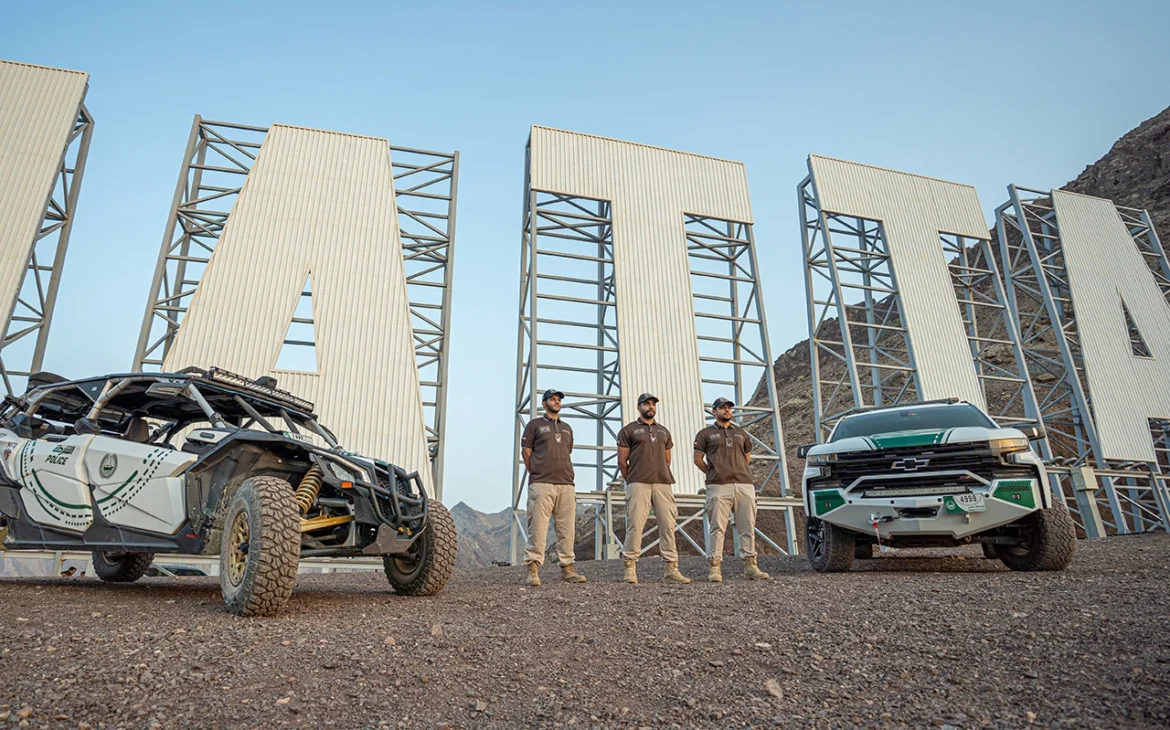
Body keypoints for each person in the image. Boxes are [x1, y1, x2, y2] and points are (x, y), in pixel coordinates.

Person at [692, 397, 771, 582]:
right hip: (718, 486)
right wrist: (714, 473)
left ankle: (751, 565)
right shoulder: (705, 434)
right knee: (718, 527)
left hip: (744, 484)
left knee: (747, 525)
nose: (727, 410)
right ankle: (714, 567)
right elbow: (698, 459)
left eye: (729, 408)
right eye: (722, 408)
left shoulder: (741, 433)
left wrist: (738, 471)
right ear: (714, 411)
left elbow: (747, 456)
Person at [616, 393, 691, 585]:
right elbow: (622, 462)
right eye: (646, 404)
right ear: (639, 407)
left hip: (663, 483)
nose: (650, 407)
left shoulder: (664, 431)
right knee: (635, 524)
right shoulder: (628, 430)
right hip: (638, 483)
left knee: (668, 524)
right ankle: (630, 567)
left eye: (653, 404)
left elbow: (667, 460)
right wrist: (632, 479)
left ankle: (671, 568)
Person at [521, 389, 587, 586]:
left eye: (559, 400)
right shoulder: (534, 425)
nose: (556, 402)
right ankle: (533, 570)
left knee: (567, 529)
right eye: (552, 399)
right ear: (544, 403)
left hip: (566, 483)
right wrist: (537, 471)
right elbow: (526, 452)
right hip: (542, 483)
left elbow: (567, 451)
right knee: (538, 528)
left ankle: (567, 568)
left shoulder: (567, 428)